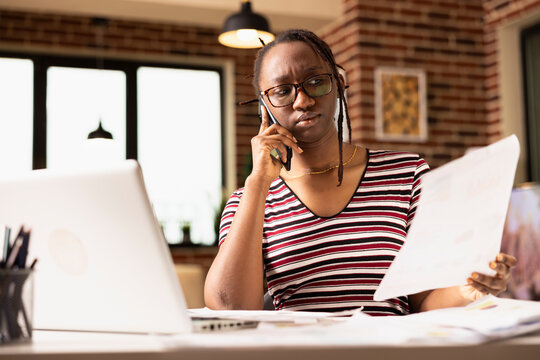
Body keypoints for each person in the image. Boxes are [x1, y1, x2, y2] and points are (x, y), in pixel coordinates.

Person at [204, 29, 517, 315]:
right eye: (282, 91)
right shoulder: (248, 201)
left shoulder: (407, 175)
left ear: (338, 84)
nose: (303, 100)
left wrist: (469, 288)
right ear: (264, 107)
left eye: (316, 81)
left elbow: (422, 302)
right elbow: (229, 306)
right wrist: (258, 183)